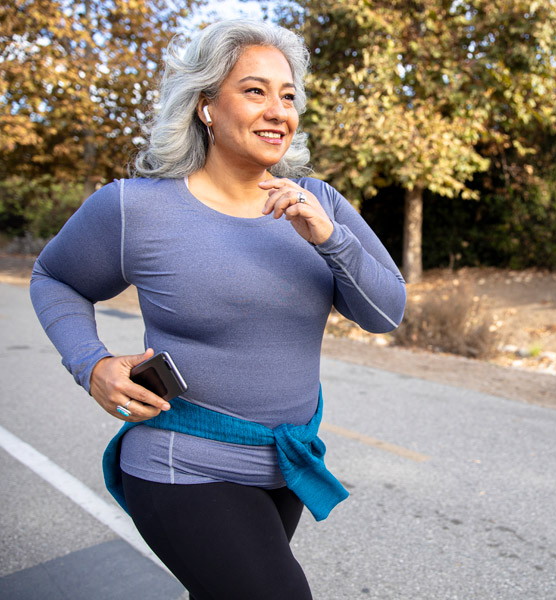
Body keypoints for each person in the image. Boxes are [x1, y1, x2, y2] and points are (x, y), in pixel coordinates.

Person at [30, 19, 406, 600]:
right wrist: (91, 363)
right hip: (183, 463)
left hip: (285, 466)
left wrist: (329, 238)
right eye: (255, 91)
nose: (278, 110)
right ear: (206, 105)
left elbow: (386, 312)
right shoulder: (136, 208)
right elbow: (54, 276)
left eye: (288, 95)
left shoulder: (319, 202)